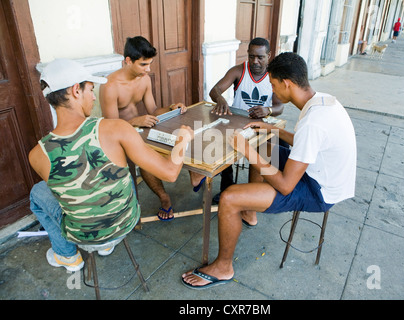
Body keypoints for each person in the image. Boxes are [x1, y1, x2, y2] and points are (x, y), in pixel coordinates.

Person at [181, 52, 357, 289]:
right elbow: (306, 142)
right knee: (265, 141)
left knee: (230, 197)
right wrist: (269, 128)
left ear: (287, 83)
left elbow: (286, 185)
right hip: (319, 170)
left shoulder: (313, 121)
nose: (272, 92)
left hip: (319, 191)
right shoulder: (321, 101)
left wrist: (246, 150)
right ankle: (251, 210)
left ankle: (223, 267)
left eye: (273, 85)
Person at [29, 58, 193, 271]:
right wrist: (182, 140)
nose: (94, 98)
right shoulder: (117, 128)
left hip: (83, 237)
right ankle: (99, 247)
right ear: (75, 91)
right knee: (116, 170)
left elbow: (69, 192)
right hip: (126, 222)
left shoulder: (37, 154)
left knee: (37, 193)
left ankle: (67, 255)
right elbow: (170, 173)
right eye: (90, 90)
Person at [100, 36, 190, 221]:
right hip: (120, 137)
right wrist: (135, 121)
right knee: (145, 155)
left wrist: (172, 107)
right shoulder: (110, 85)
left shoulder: (144, 79)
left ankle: (197, 177)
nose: (148, 69)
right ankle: (164, 197)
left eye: (149, 64)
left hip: (142, 129)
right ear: (128, 60)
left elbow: (154, 111)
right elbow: (111, 126)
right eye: (143, 64)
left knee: (185, 132)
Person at [207, 37, 284, 205]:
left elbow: (279, 107)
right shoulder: (238, 71)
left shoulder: (274, 76)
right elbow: (215, 90)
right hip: (237, 122)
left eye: (260, 57)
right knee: (223, 143)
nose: (255, 61)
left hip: (261, 125)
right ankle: (226, 187)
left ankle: (258, 191)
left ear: (268, 55)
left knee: (273, 147)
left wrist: (268, 110)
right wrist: (220, 98)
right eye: (251, 56)